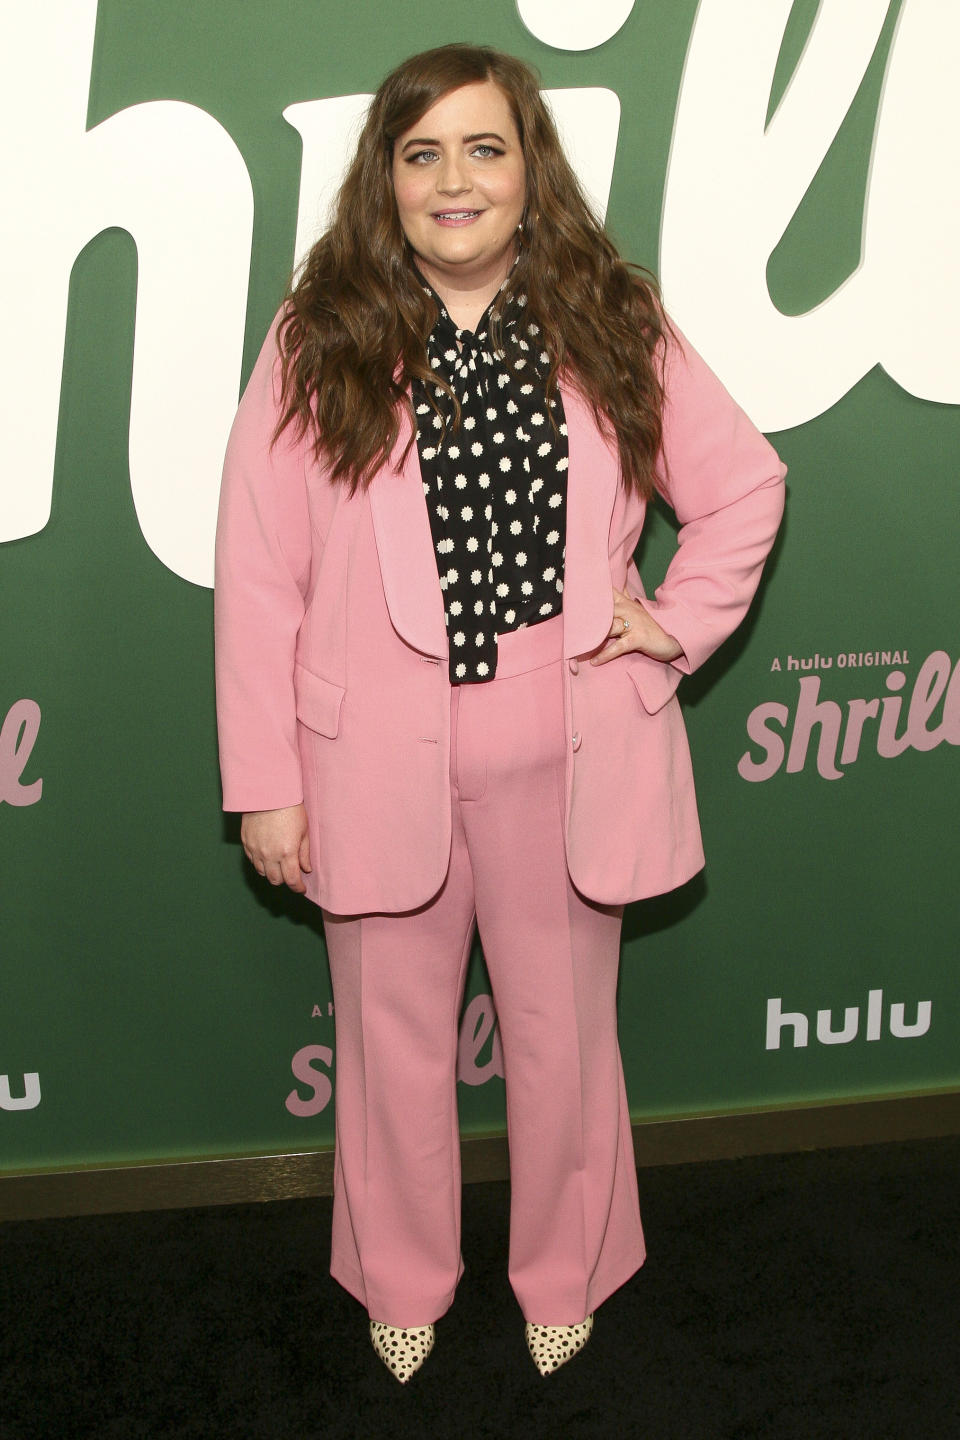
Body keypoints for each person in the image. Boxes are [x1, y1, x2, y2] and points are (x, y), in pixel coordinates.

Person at [215, 43, 785, 1383]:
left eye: (484, 148)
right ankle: (401, 1279)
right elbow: (257, 571)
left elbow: (744, 486)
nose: (454, 180)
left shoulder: (611, 317)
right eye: (422, 155)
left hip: (574, 748)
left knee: (565, 1043)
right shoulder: (320, 337)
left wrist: (677, 622)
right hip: (369, 761)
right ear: (387, 184)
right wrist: (265, 782)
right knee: (392, 1048)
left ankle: (566, 1272)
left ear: (531, 172)